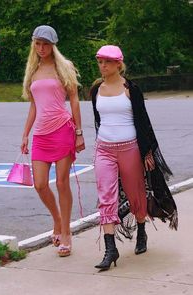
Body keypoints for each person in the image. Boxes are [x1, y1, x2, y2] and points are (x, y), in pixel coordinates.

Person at [90, 45, 178, 271]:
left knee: (136, 194)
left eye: (107, 62)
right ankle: (110, 248)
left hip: (129, 148)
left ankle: (141, 230)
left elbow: (143, 122)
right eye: (100, 61)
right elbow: (98, 121)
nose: (103, 66)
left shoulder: (131, 89)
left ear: (118, 64)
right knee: (106, 196)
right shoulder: (96, 90)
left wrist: (147, 152)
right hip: (104, 149)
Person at [21, 25, 85, 257]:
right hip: (41, 134)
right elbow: (34, 105)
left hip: (62, 130)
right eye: (38, 43)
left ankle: (66, 233)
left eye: (46, 44)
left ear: (53, 45)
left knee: (61, 182)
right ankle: (57, 219)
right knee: (39, 184)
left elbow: (75, 100)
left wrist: (79, 132)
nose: (41, 48)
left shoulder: (63, 67)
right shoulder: (33, 69)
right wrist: (26, 134)